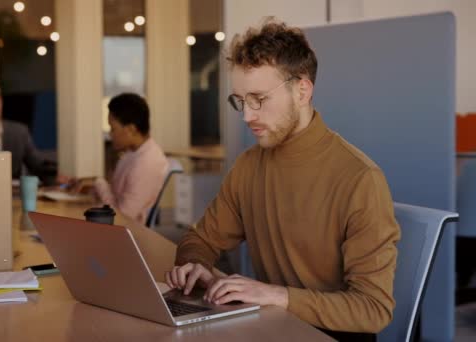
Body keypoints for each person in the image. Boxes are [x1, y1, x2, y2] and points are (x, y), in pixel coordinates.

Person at [164, 17, 400, 341]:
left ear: (302, 90)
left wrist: (276, 296)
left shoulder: (361, 179)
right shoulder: (248, 166)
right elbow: (200, 240)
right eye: (240, 101)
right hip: (273, 328)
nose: (247, 116)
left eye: (259, 99)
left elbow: (372, 310)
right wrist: (195, 265)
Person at [77, 93, 168, 224]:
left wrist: (99, 182)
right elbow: (114, 195)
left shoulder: (147, 162)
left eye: (113, 129)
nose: (110, 134)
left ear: (131, 129)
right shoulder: (132, 153)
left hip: (125, 232)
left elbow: (122, 216)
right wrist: (92, 186)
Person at [0, 79, 59, 183]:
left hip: (12, 196)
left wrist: (58, 177)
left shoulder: (19, 132)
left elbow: (38, 166)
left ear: (1, 102)